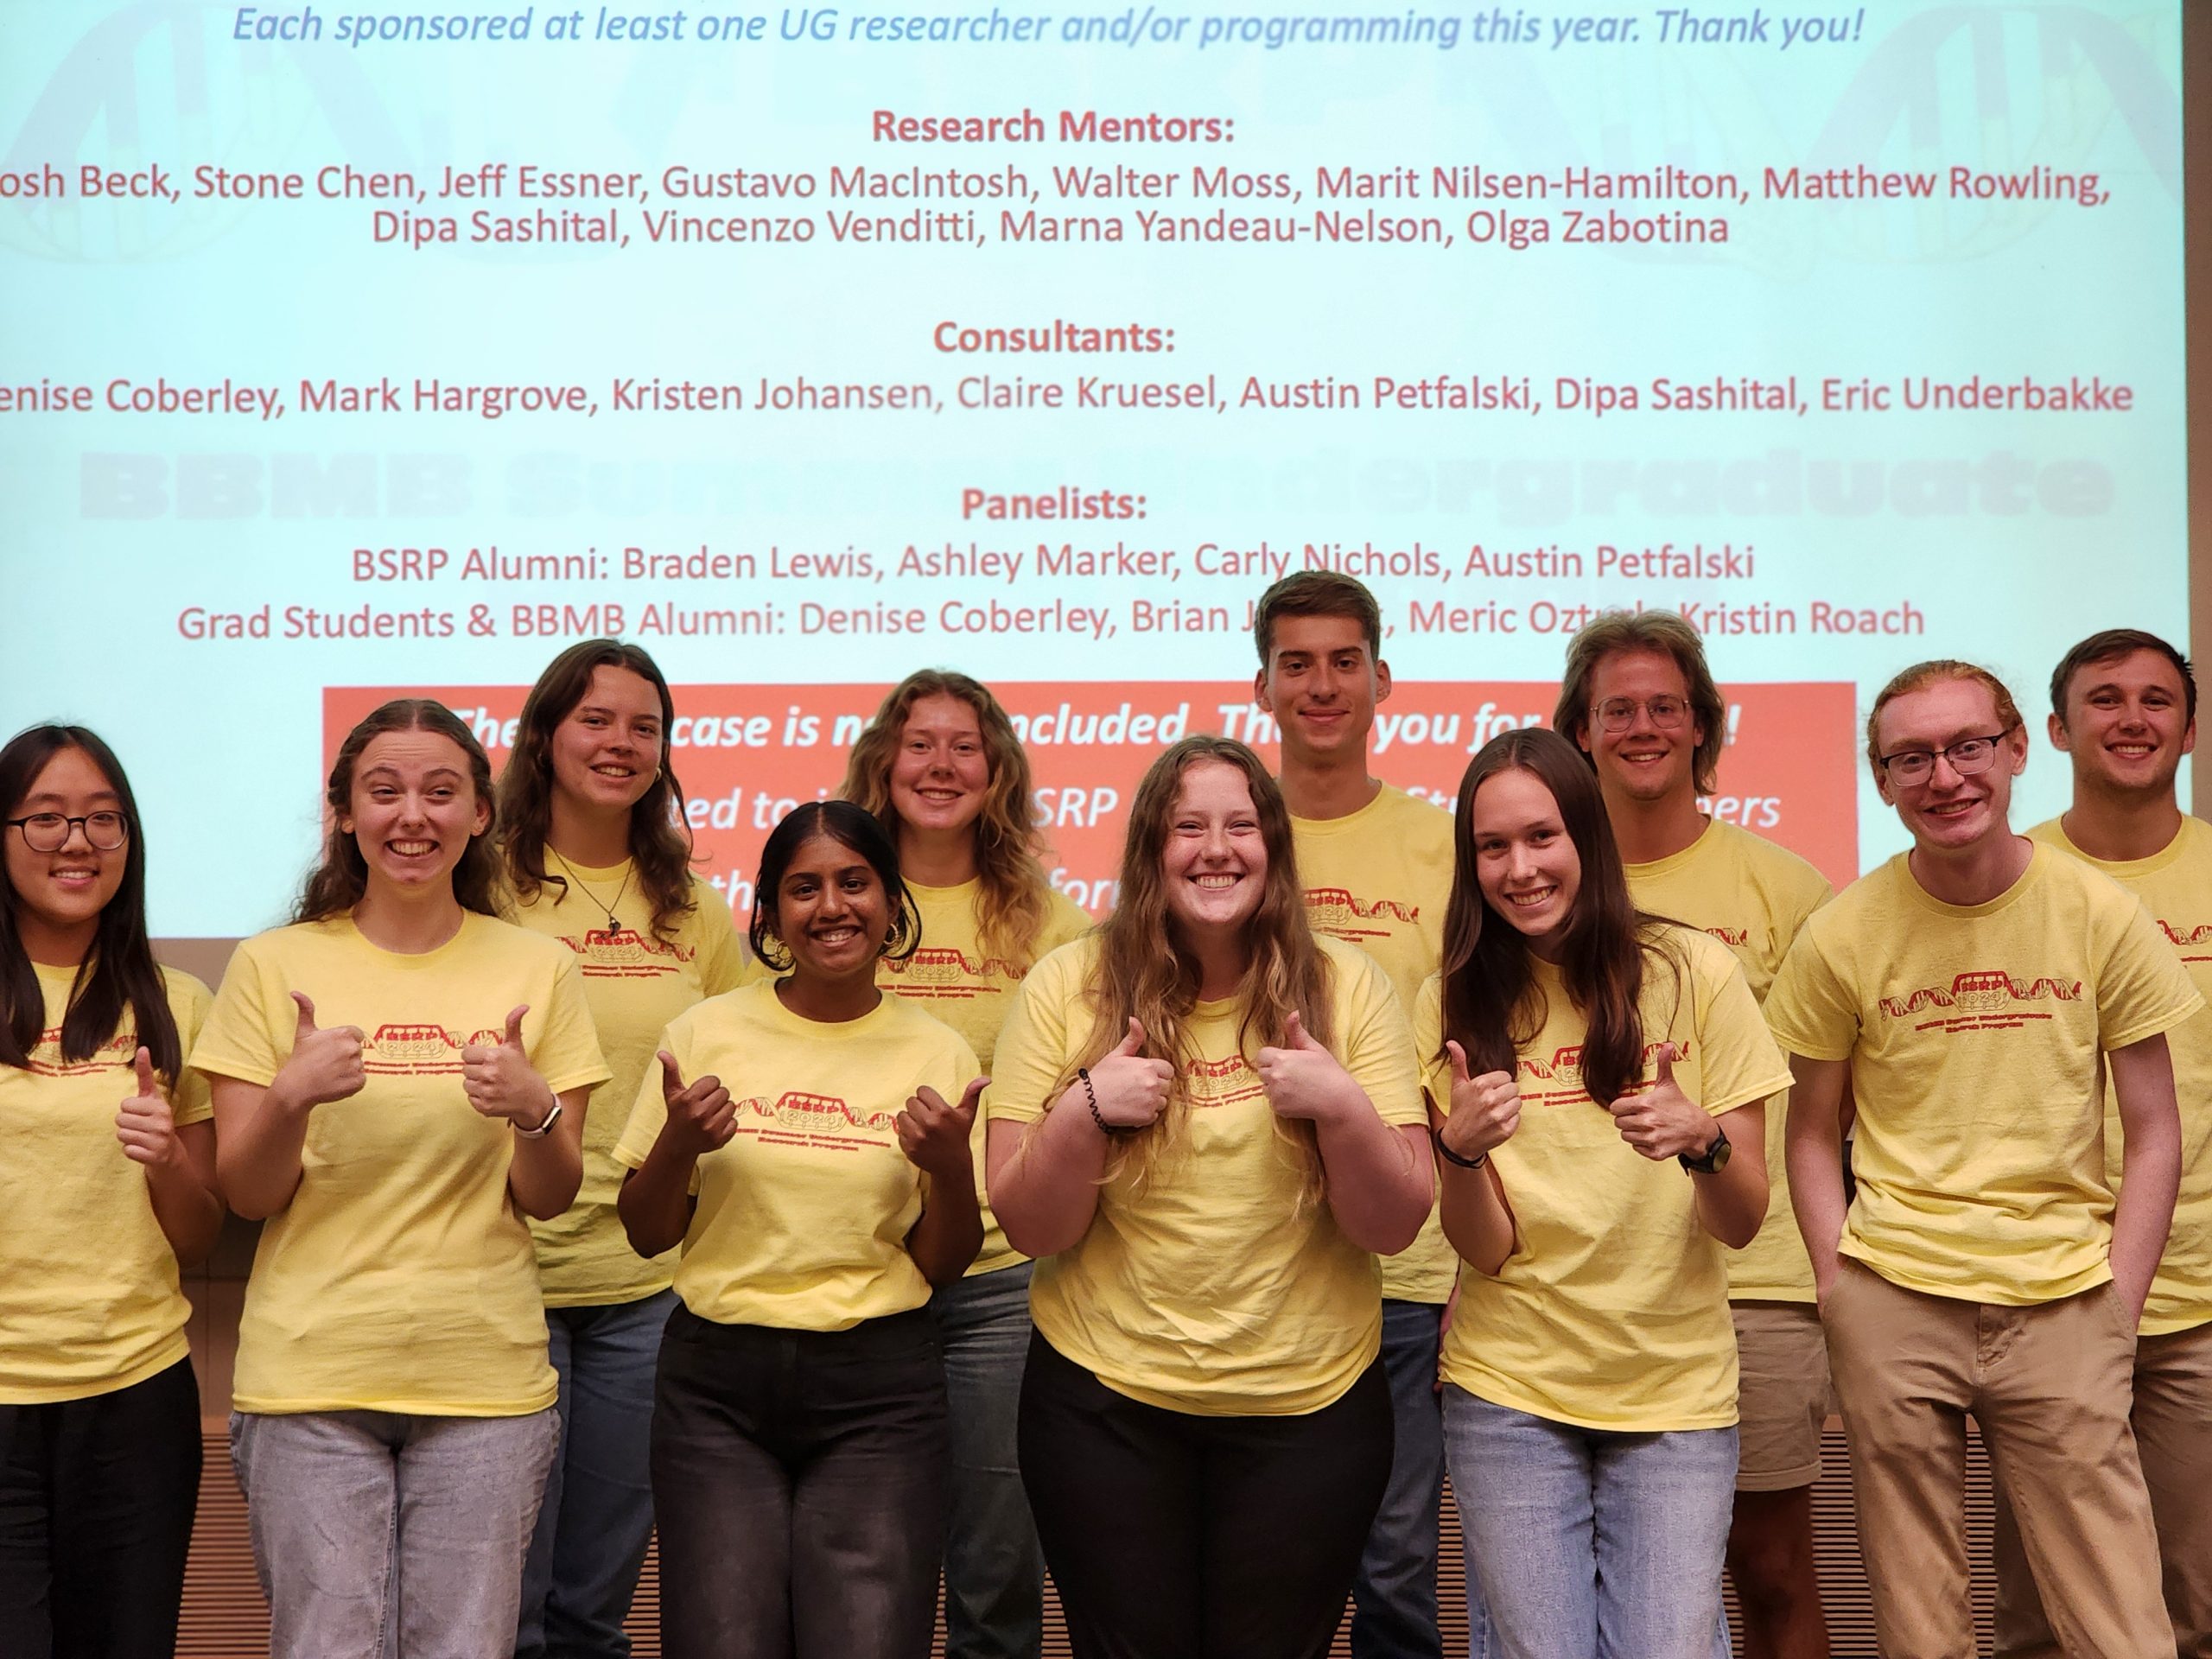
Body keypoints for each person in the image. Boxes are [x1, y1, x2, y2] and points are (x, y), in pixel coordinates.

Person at [1766, 659, 2196, 1659]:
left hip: (2063, 1298)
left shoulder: (2098, 914)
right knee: (1921, 1624)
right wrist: (1839, 1288)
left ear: (2012, 753)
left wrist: (2116, 1305)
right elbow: (1807, 1131)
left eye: (1966, 747)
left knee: (2120, 1623)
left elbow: (2154, 1127)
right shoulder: (1839, 935)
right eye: (1910, 758)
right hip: (1896, 1293)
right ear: (1880, 781)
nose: (1944, 776)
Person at [985, 734, 1432, 1659]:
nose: (1215, 848)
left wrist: (1344, 1108)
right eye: (1188, 827)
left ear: (1275, 846)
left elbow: (1390, 1225)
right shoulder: (1066, 984)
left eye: (1241, 826)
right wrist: (1084, 1111)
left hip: (1307, 1413)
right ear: (1152, 850)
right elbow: (1032, 1224)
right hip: (1104, 1407)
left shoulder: (1351, 986)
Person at [195, 698, 609, 1659]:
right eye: (383, 792)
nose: (410, 816)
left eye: (439, 792)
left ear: (479, 816)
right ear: (343, 813)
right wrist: (289, 1099)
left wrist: (534, 1109)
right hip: (309, 1378)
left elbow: (547, 1195)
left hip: (483, 1383)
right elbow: (249, 1194)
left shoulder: (540, 967)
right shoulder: (272, 965)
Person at [1423, 728, 1782, 1659]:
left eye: (1542, 837)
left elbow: (1742, 1220)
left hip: (1672, 1393)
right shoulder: (1452, 1001)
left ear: (1585, 836)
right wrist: (1456, 1156)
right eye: (1492, 847)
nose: (1520, 868)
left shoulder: (1692, 971)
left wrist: (1701, 1141)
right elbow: (1488, 1250)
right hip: (1510, 1390)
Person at [614, 799, 986, 1659]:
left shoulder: (938, 1051)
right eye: (803, 888)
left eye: (854, 883)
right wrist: (677, 1143)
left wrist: (953, 1167)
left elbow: (941, 1263)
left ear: (892, 902)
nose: (831, 907)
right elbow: (643, 1232)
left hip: (880, 1391)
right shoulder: (704, 1031)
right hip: (716, 1388)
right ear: (771, 914)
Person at [1553, 612, 1834, 1659]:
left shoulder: (1786, 890)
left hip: (1750, 1273)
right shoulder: (1535, 883)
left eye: (1664, 706)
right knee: (1591, 1585)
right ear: (1578, 732)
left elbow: (1822, 1103)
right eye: (1615, 708)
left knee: (1770, 1571)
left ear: (1703, 728)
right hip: (1573, 1286)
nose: (1641, 726)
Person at [496, 640, 748, 1659]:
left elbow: (738, 1074)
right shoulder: (481, 887)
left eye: (644, 726)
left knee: (593, 1613)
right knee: (501, 1608)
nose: (620, 743)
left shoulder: (693, 908)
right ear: (544, 737)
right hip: (499, 1277)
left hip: (645, 1289)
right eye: (596, 720)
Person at [839, 670, 1091, 1659]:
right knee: (870, 1572)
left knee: (995, 1574)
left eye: (965, 747)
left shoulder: (1054, 924)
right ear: (882, 761)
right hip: (860, 1273)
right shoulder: (837, 896)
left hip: (1002, 1286)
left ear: (997, 774)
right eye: (919, 743)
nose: (940, 765)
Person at [1988, 630, 2210, 1659]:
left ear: (2190, 729)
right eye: (2106, 699)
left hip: (2201, 1302)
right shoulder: (1999, 876)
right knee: (2041, 1612)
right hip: (2042, 1296)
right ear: (2055, 730)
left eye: (2157, 700)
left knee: (2193, 1608)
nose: (2133, 719)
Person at [1249, 572, 1458, 1659]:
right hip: (1247, 1271)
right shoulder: (1221, 832)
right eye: (1296, 664)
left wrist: (1472, 1255)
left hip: (1408, 1272)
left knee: (1396, 1573)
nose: (1320, 686)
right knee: (1258, 1573)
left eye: (1342, 662)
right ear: (1262, 686)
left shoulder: (1445, 845)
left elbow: (1480, 1055)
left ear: (1383, 680)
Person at [0, 726, 225, 1658]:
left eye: (102, 819)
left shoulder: (174, 1003)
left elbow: (201, 1236)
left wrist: (170, 1159)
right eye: (45, 819)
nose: (77, 841)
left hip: (135, 1399)